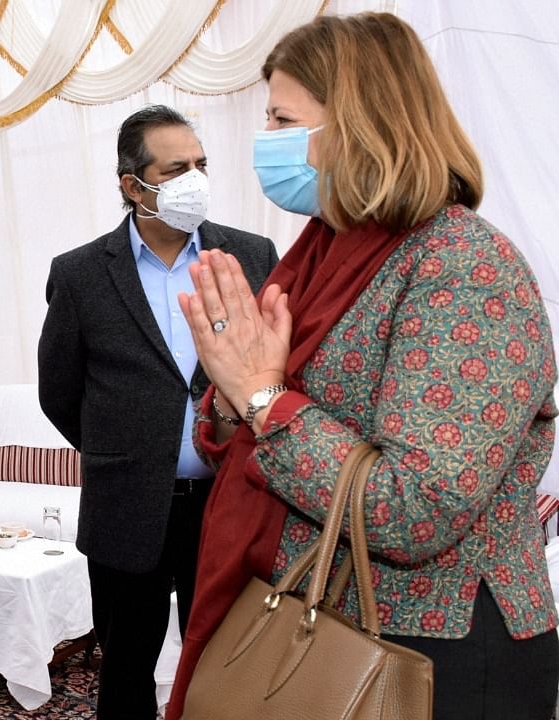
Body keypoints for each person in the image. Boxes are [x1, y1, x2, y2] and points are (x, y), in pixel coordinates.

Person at [168, 12, 559, 720]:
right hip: (330, 619)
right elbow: (251, 415)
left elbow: (418, 508)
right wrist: (234, 397)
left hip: (437, 650)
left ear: (358, 122)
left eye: (283, 119)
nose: (268, 142)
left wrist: (261, 398)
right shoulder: (326, 250)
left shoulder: (464, 269)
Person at [37, 104, 277, 719]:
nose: (195, 178)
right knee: (124, 666)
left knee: (229, 660)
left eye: (201, 164)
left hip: (230, 502)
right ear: (132, 184)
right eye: (177, 169)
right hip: (126, 506)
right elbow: (58, 391)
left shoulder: (250, 256)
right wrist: (126, 450)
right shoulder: (82, 273)